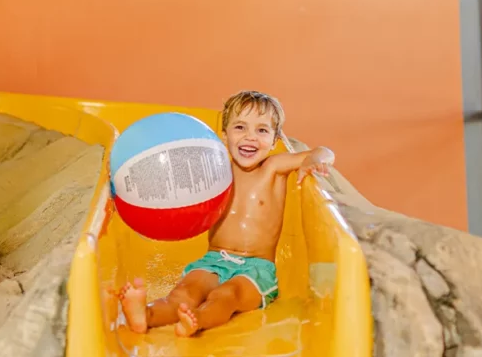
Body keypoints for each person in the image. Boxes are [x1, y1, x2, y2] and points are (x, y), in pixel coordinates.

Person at [118, 90, 335, 337]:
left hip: (256, 268)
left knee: (226, 296)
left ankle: (196, 320)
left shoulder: (273, 168)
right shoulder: (217, 169)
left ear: (275, 140)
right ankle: (146, 315)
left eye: (262, 131)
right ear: (224, 135)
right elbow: (171, 181)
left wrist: (313, 161)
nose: (250, 138)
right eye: (240, 127)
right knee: (184, 292)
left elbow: (323, 151)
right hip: (213, 260)